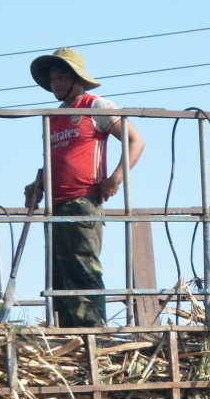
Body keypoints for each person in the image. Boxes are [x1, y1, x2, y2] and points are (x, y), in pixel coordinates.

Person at [23, 48, 145, 327]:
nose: (56, 83)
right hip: (55, 206)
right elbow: (55, 158)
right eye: (52, 78)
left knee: (82, 270)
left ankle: (93, 335)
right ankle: (68, 336)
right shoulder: (53, 116)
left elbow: (135, 141)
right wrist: (38, 183)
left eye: (61, 76)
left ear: (77, 77)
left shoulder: (96, 106)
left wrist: (116, 178)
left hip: (82, 201)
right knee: (59, 275)